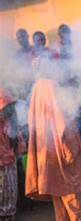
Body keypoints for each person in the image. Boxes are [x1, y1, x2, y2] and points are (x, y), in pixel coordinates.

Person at [26, 59, 81, 221]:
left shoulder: (37, 87)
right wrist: (69, 148)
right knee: (71, 188)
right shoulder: (51, 86)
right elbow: (62, 122)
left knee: (58, 191)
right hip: (60, 145)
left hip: (46, 147)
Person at [0, 89, 25, 221]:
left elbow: (12, 125)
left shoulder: (4, 95)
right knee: (6, 187)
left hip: (5, 151)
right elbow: (12, 126)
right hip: (5, 152)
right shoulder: (4, 95)